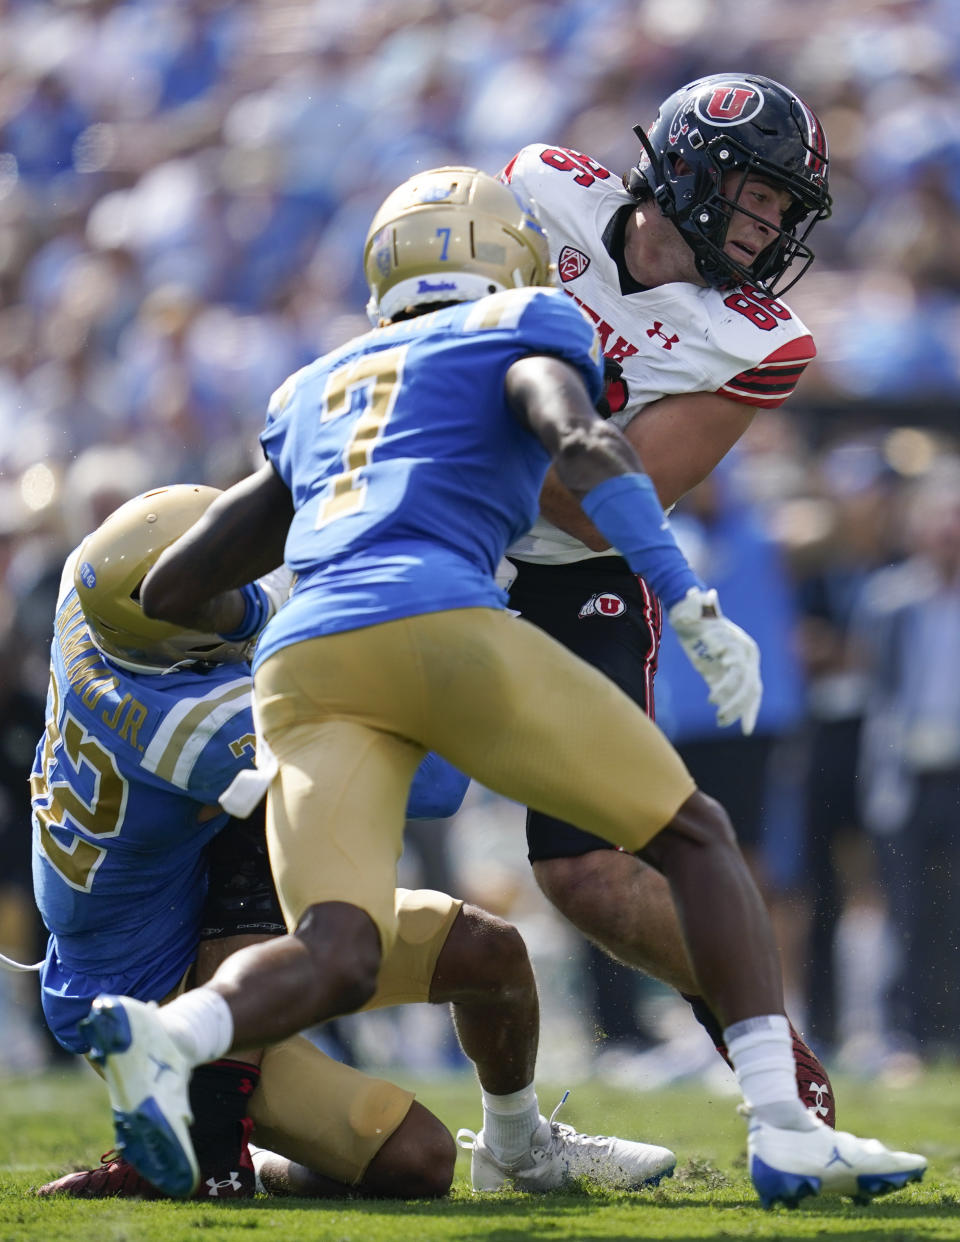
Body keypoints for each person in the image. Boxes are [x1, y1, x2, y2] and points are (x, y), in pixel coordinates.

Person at [86, 165, 923, 1209]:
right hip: (442, 620)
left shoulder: (315, 383)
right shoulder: (525, 322)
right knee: (693, 833)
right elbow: (581, 446)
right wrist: (688, 599)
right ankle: (786, 1126)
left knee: (337, 949)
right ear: (514, 261)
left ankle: (172, 1038)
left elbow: (173, 583)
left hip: (304, 660)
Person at [34, 485, 674, 1200]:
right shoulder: (192, 727)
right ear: (182, 640)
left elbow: (223, 596)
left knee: (491, 955)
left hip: (173, 907)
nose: (237, 590)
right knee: (417, 1161)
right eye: (216, 595)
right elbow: (433, 790)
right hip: (148, 990)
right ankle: (211, 1140)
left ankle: (520, 1148)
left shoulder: (86, 594)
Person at [497, 72, 836, 1112]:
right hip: (427, 540)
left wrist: (477, 426)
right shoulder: (543, 189)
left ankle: (776, 1067)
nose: (772, 224)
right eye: (762, 193)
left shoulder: (751, 335)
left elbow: (598, 510)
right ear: (693, 161)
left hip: (574, 577)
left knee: (586, 872)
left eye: (788, 208)